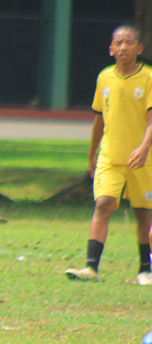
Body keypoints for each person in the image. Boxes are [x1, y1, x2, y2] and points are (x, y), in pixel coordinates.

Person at [66, 25, 152, 285]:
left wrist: (145, 147)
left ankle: (145, 269)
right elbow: (98, 119)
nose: (123, 47)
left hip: (142, 159)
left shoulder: (148, 78)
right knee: (103, 204)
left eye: (128, 42)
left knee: (143, 213)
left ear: (139, 48)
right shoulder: (104, 77)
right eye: (118, 43)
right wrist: (92, 153)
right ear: (111, 48)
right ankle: (91, 268)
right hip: (110, 157)